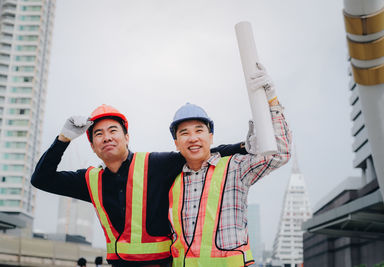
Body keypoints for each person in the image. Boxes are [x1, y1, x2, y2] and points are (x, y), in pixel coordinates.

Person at [31, 104, 247, 267]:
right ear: (93, 147)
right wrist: (63, 139)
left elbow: (201, 152)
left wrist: (244, 146)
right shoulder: (89, 180)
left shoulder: (155, 164)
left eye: (113, 130)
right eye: (99, 134)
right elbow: (41, 179)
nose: (106, 137)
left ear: (127, 137)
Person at [168, 65, 292, 266]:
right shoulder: (172, 182)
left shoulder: (234, 168)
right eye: (184, 133)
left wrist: (272, 102)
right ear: (176, 142)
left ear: (210, 136)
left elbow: (280, 154)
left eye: (199, 130)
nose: (193, 138)